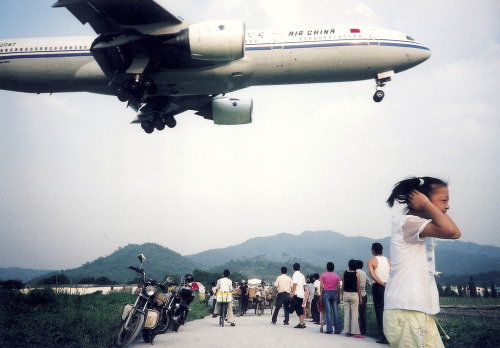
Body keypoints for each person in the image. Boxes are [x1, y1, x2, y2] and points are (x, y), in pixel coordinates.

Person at [384, 176, 461, 347]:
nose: (447, 206)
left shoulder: (417, 224)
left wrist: (429, 205)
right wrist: (426, 205)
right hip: (406, 310)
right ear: (420, 199)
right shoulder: (407, 223)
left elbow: (455, 232)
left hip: (416, 309)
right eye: (444, 200)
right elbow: (451, 232)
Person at [368, 242, 391, 344]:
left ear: (373, 250)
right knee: (388, 311)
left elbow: (373, 276)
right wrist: (387, 285)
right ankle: (390, 335)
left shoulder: (371, 261)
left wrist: (382, 284)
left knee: (379, 311)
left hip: (378, 287)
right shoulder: (388, 261)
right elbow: (391, 273)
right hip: (388, 286)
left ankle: (383, 336)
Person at [342, 259, 363, 338]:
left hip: (346, 294)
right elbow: (358, 287)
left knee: (346, 313)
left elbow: (343, 285)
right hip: (354, 294)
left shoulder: (345, 273)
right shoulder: (357, 274)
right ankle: (355, 332)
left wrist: (342, 294)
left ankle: (347, 332)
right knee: (354, 314)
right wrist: (360, 297)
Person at [320, 261, 342, 334]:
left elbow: (321, 286)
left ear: (327, 268)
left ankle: (329, 329)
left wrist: (321, 294)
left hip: (326, 293)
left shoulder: (323, 275)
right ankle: (337, 329)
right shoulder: (336, 276)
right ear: (333, 268)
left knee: (328, 312)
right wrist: (338, 296)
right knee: (335, 311)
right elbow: (338, 287)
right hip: (334, 293)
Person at [355, 260, 371, 335]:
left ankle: (356, 329)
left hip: (356, 294)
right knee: (363, 313)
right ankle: (363, 330)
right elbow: (369, 282)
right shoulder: (364, 273)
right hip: (364, 294)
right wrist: (364, 286)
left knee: (356, 312)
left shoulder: (354, 272)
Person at [290, 263, 307, 328]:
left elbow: (294, 284)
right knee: (300, 308)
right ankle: (302, 322)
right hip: (301, 294)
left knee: (298, 309)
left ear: (293, 268)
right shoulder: (302, 275)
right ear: (299, 268)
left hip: (297, 294)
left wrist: (293, 293)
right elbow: (304, 286)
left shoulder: (295, 275)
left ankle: (301, 323)